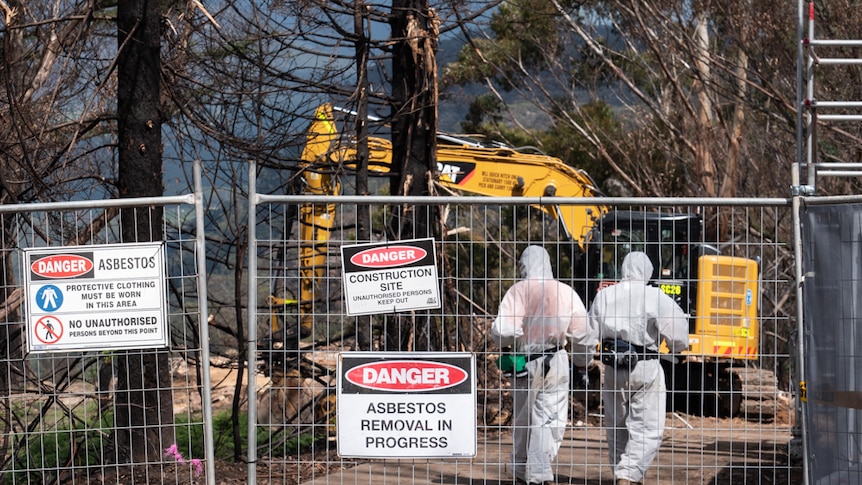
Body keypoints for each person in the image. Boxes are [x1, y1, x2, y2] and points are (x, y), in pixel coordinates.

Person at [491, 246, 596, 485]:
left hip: (524, 361)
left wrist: (517, 336)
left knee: (523, 417)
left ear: (525, 264)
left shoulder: (518, 291)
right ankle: (539, 474)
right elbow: (583, 334)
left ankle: (520, 470)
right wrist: (583, 362)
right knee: (549, 418)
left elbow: (502, 331)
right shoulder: (565, 292)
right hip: (555, 359)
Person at [589, 251, 689, 485]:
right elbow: (678, 336)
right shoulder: (655, 296)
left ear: (623, 269)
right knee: (648, 426)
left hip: (613, 368)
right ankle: (629, 474)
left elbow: (588, 334)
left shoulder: (604, 296)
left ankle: (622, 472)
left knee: (617, 425)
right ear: (648, 271)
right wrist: (673, 347)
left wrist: (584, 362)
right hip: (645, 365)